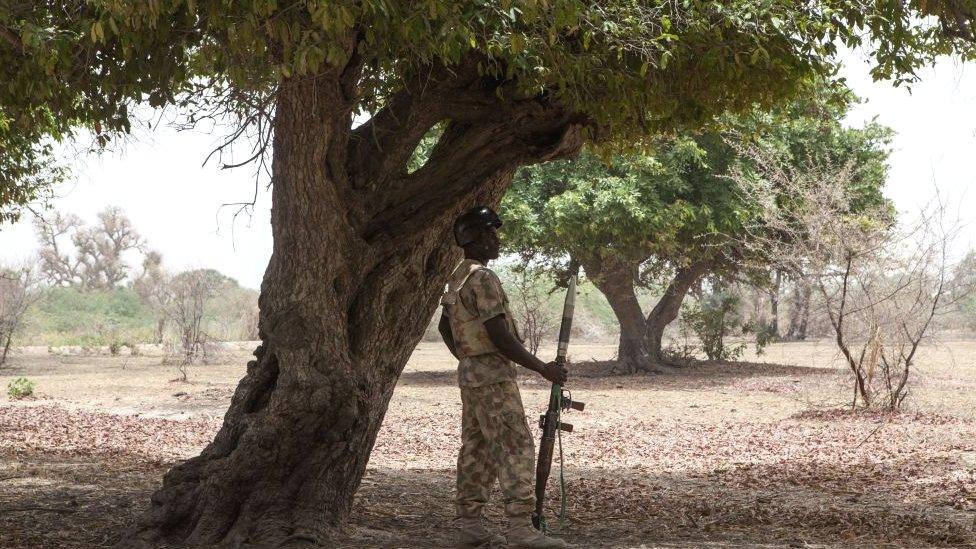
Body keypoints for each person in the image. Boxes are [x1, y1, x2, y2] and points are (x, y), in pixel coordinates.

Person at [439, 206, 570, 549]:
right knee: (515, 444)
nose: (496, 239)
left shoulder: (458, 276)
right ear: (474, 238)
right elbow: (498, 333)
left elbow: (444, 327)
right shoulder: (482, 278)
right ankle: (519, 529)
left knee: (477, 447)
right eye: (489, 233)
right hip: (493, 377)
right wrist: (542, 368)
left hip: (471, 376)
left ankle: (470, 525)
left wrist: (469, 357)